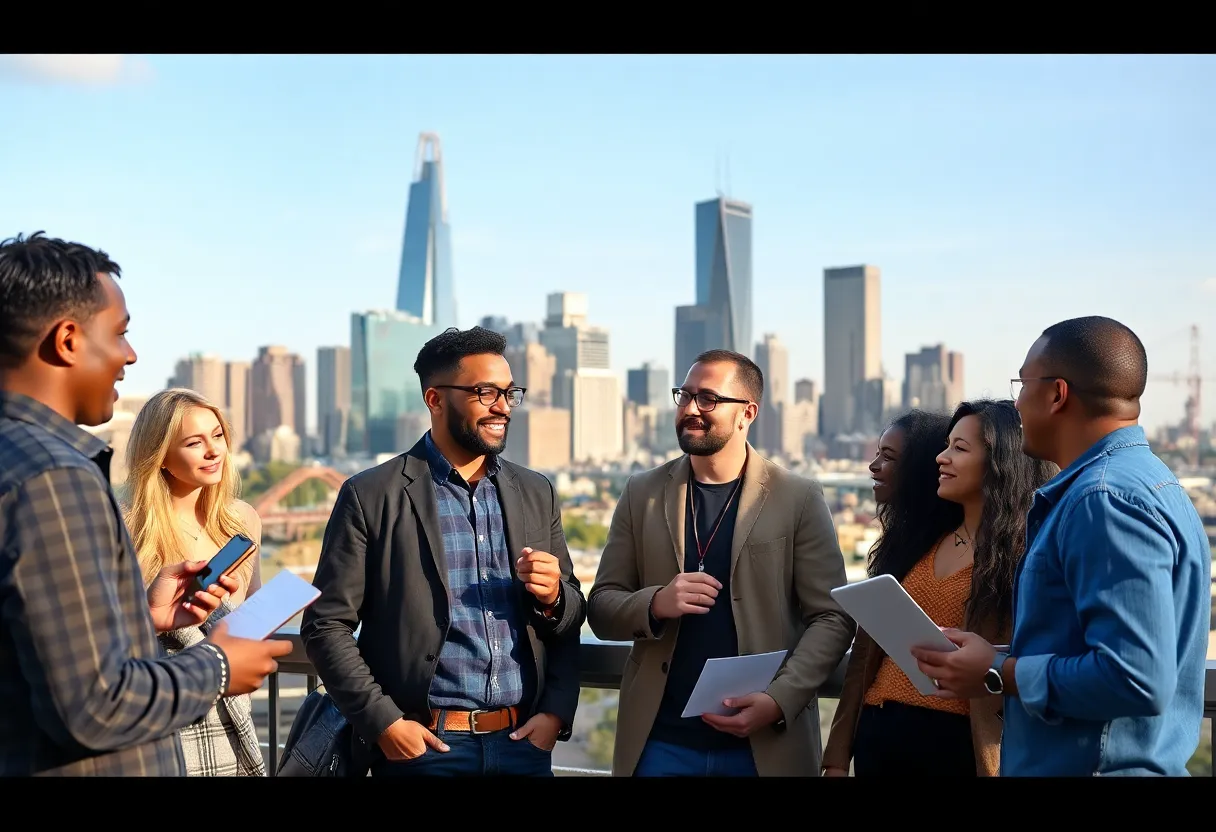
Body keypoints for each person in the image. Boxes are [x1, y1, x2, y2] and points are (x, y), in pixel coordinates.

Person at [0, 231, 291, 776]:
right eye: (120, 334)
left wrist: (147, 619)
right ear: (67, 340)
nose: (129, 356)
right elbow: (94, 705)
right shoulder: (56, 478)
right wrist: (222, 665)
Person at [913, 316, 1212, 776]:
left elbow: (1135, 677)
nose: (1016, 403)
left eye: (1023, 384)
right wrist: (996, 658)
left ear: (1056, 394)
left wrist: (999, 675)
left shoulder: (1104, 501)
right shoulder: (1151, 483)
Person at [301, 326, 586, 777]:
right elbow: (325, 625)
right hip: (424, 749)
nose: (503, 407)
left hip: (524, 746)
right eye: (486, 392)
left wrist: (555, 712)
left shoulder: (536, 491)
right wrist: (383, 723)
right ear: (435, 399)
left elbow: (569, 618)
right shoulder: (371, 494)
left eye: (510, 393)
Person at [587, 349, 855, 777]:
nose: (691, 409)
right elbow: (601, 606)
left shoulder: (798, 497)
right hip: (659, 744)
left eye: (708, 398)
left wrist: (778, 699)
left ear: (747, 413)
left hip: (765, 747)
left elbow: (833, 618)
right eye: (684, 396)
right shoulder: (642, 493)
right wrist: (656, 603)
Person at [824, 400, 1056, 777]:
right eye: (945, 445)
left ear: (1002, 462)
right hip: (879, 735)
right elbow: (864, 661)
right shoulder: (915, 543)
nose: (941, 458)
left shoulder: (1028, 557)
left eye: (959, 448)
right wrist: (836, 759)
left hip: (957, 747)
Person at [124, 387, 267, 776]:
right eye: (194, 442)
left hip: (234, 717)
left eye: (218, 436)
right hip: (165, 720)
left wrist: (277, 607)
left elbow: (248, 627)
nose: (213, 450)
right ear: (161, 457)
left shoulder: (241, 520)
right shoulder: (125, 529)